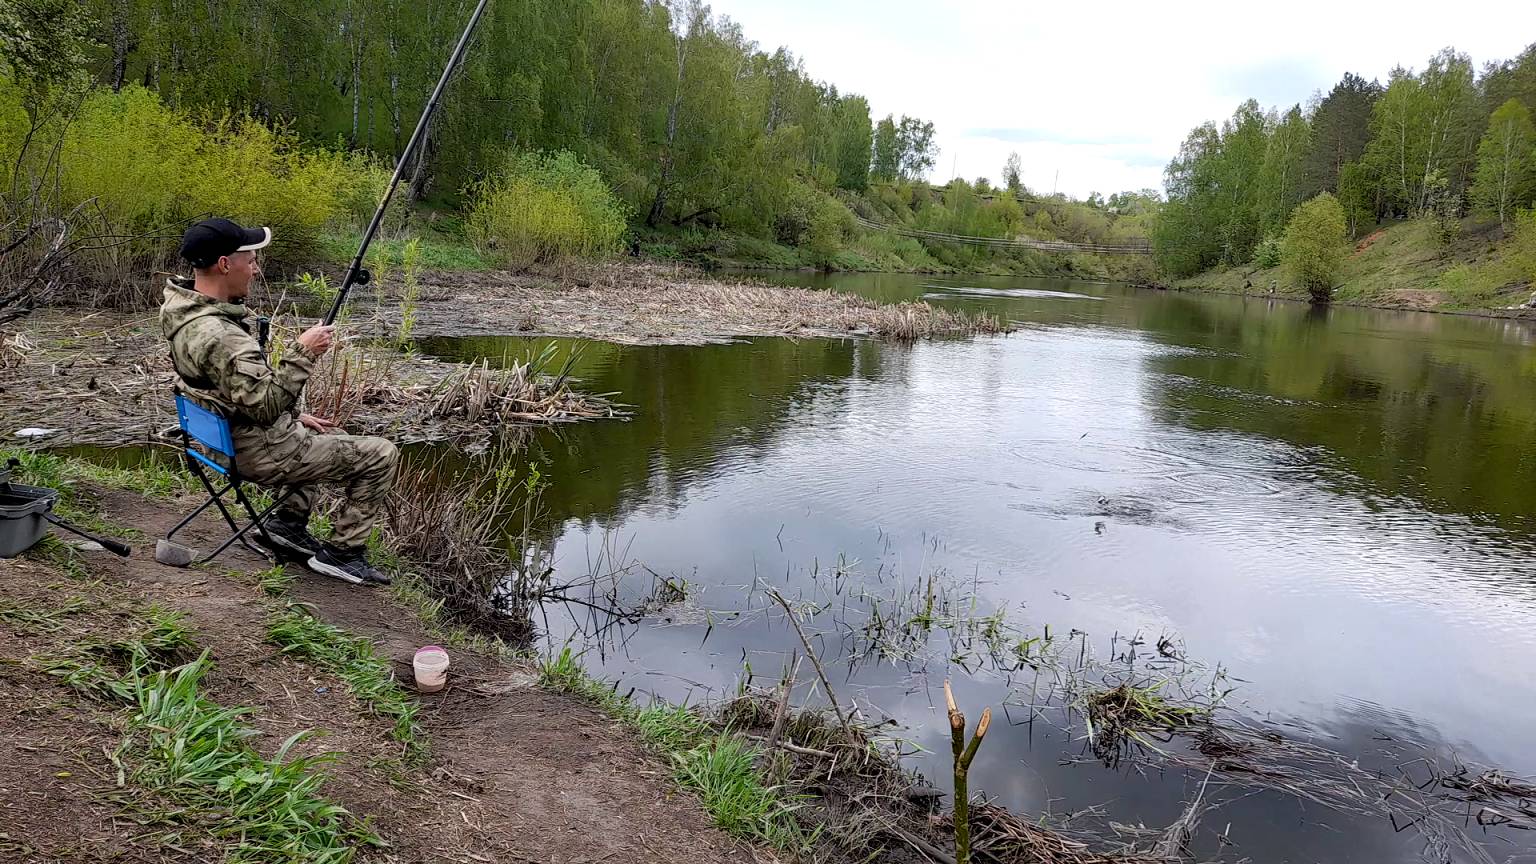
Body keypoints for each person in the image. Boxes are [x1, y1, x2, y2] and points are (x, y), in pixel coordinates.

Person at [160, 217, 397, 585]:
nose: (255, 270)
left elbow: (229, 389)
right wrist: (304, 352)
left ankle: (287, 526)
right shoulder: (221, 335)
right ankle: (342, 554)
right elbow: (266, 405)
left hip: (222, 439)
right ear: (225, 264)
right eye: (251, 261)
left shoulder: (181, 311)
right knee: (381, 454)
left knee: (318, 436)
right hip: (257, 453)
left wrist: (296, 415)